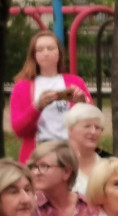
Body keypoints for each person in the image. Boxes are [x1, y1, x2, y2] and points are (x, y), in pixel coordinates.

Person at [10, 30, 92, 163]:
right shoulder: (22, 87)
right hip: (38, 154)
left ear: (59, 53)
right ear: (34, 55)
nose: (45, 53)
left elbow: (92, 123)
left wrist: (83, 102)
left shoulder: (75, 82)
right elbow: (19, 130)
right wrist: (37, 107)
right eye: (40, 49)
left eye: (50, 48)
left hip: (71, 154)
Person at [29, 139, 98, 216]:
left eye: (44, 166)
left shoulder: (91, 206)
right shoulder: (29, 209)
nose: (36, 172)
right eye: (34, 167)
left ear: (66, 172)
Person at [63, 103, 108, 195]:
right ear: (70, 130)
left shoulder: (108, 163)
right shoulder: (58, 163)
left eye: (97, 127)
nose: (93, 132)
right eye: (87, 126)